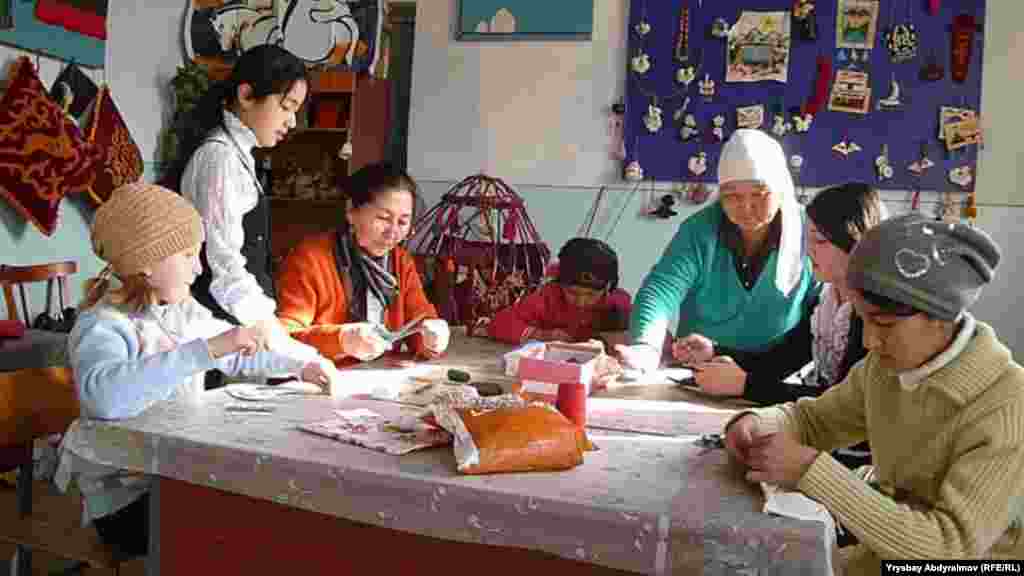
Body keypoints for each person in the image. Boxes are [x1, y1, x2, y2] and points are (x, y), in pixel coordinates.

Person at [724, 213, 1024, 572]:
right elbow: (813, 420)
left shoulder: (1008, 405)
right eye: (862, 320)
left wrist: (811, 472)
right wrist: (757, 422)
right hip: (885, 554)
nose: (868, 341)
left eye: (883, 323)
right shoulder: (885, 370)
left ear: (941, 316)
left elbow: (947, 549)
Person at [55, 183, 338, 557]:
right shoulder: (104, 325)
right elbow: (105, 399)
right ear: (145, 262)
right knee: (251, 517)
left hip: (174, 474)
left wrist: (302, 364)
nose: (199, 267)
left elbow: (240, 350)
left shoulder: (180, 313)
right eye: (188, 255)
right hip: (127, 503)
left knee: (263, 501)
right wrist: (206, 351)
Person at [617, 128, 819, 372]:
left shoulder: (808, 232)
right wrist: (646, 346)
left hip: (777, 372)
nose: (746, 207)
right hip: (701, 369)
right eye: (731, 196)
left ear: (781, 190)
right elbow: (661, 290)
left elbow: (824, 306)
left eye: (759, 194)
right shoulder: (700, 230)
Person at [677, 183, 885, 413]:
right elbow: (781, 361)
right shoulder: (827, 302)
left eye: (821, 241)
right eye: (808, 240)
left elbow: (845, 405)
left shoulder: (873, 315)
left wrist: (746, 386)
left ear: (856, 241)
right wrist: (714, 351)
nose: (809, 251)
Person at [165, 44, 307, 335]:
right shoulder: (219, 157)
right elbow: (224, 266)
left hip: (236, 322)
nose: (291, 121)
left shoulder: (236, 153)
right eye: (286, 106)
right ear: (246, 95)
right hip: (218, 326)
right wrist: (268, 329)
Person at [275, 162, 449, 363]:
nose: (393, 232)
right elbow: (283, 338)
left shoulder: (400, 261)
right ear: (351, 211)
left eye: (402, 222)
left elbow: (419, 322)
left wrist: (432, 339)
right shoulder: (310, 259)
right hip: (318, 382)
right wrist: (340, 340)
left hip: (376, 381)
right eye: (384, 218)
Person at [487, 237, 631, 344]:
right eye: (572, 293)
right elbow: (498, 324)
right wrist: (541, 335)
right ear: (560, 284)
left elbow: (640, 335)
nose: (581, 301)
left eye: (591, 294)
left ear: (608, 287)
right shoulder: (549, 297)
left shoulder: (618, 304)